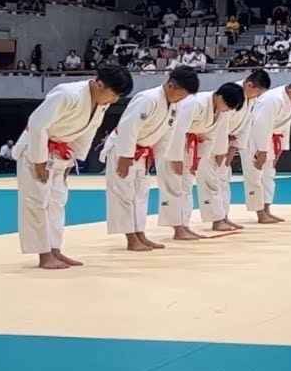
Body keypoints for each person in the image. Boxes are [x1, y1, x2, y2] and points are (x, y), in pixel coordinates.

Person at [15, 64, 133, 269]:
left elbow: (89, 131)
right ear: (99, 84)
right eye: (113, 95)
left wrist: (74, 159)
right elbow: (37, 124)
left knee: (57, 201)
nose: (114, 100)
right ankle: (44, 254)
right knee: (37, 201)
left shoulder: (100, 103)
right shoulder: (67, 94)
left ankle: (55, 249)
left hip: (61, 152)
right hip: (36, 149)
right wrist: (39, 160)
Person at [102, 66, 200, 252]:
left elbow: (167, 134)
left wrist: (159, 156)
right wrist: (125, 156)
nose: (181, 99)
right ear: (170, 86)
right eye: (180, 94)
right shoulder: (147, 99)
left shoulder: (175, 106)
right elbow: (128, 127)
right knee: (123, 193)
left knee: (140, 194)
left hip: (144, 152)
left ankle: (140, 234)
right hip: (123, 149)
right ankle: (131, 238)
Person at [160, 82, 245, 240]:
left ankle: (184, 226)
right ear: (220, 97)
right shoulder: (195, 103)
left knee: (186, 187)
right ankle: (178, 228)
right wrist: (176, 158)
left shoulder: (219, 110)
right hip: (172, 144)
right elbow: (178, 129)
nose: (227, 110)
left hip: (190, 147)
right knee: (174, 186)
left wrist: (199, 158)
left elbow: (210, 137)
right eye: (228, 105)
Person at [205, 69, 271, 231]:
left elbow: (246, 126)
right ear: (249, 85)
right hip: (214, 142)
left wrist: (232, 150)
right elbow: (221, 123)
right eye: (257, 92)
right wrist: (222, 151)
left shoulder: (250, 99)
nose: (258, 96)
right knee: (214, 181)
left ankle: (223, 217)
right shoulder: (232, 93)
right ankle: (217, 219)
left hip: (228, 142)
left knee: (224, 180)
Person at [244, 79, 291, 223]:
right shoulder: (272, 99)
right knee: (255, 176)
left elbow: (287, 125)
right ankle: (260, 213)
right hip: (255, 139)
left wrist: (281, 148)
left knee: (268, 175)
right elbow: (261, 125)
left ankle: (266, 209)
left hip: (273, 140)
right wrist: (262, 151)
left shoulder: (290, 101)